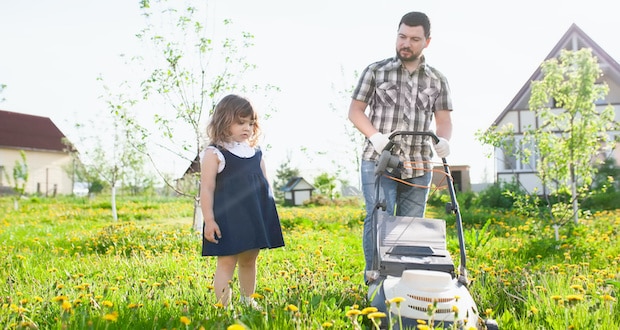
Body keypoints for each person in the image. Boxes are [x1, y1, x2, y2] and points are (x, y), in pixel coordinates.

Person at [347, 11, 453, 282]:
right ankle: (374, 278)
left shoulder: (438, 80)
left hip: (419, 164)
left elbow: (443, 121)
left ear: (427, 42)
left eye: (414, 39)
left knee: (412, 226)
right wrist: (374, 136)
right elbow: (356, 111)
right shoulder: (375, 70)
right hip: (378, 161)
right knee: (379, 218)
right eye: (402, 36)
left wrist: (444, 141)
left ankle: (405, 280)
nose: (406, 43)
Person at [200, 94, 285, 307]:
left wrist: (267, 218)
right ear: (223, 120)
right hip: (228, 217)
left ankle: (248, 300)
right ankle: (223, 307)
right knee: (227, 262)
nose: (246, 127)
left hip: (253, 215)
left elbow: (264, 185)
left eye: (250, 123)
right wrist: (209, 220)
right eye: (240, 122)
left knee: (249, 259)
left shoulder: (255, 153)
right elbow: (207, 188)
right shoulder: (215, 153)